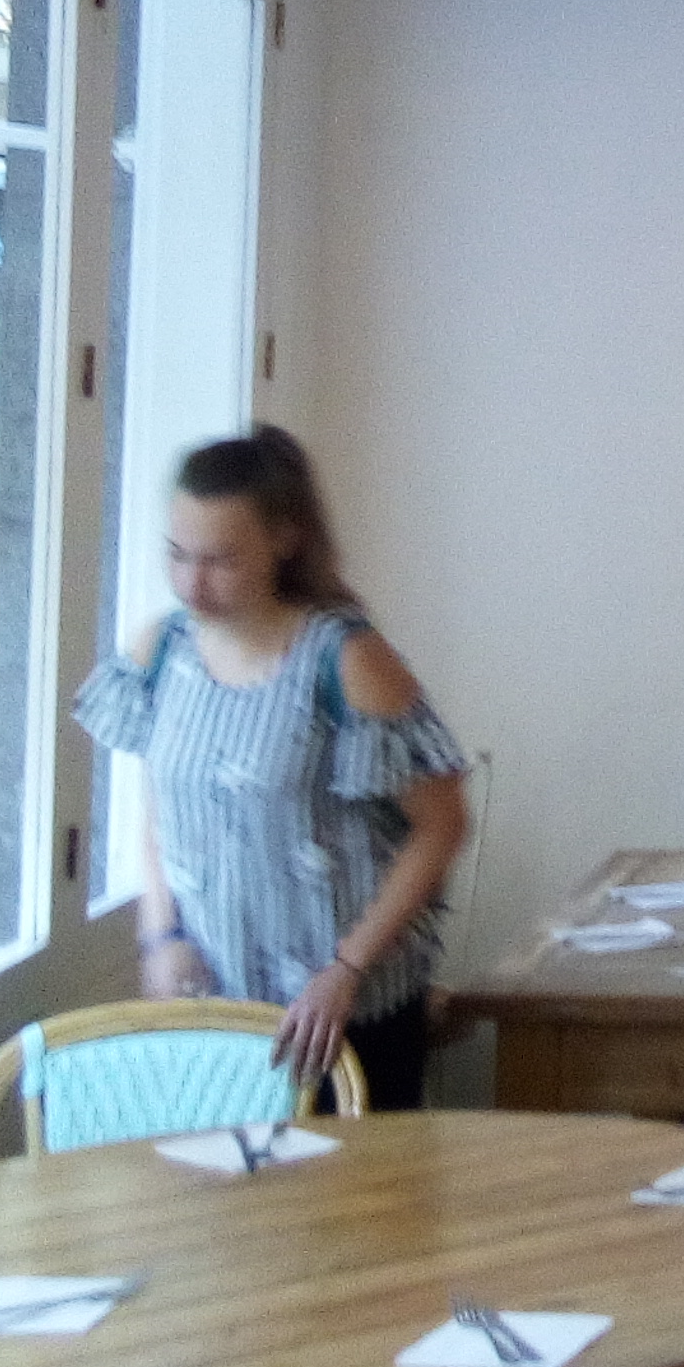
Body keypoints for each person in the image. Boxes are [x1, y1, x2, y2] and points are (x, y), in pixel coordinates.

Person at [73, 426, 470, 1103]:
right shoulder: (161, 649)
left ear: (285, 539)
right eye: (177, 555)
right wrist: (160, 936)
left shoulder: (345, 660)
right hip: (218, 1013)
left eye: (220, 561)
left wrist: (346, 969)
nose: (192, 584)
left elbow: (442, 827)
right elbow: (161, 808)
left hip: (343, 1017)